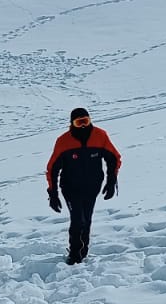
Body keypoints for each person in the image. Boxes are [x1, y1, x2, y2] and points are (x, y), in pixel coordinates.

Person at [46, 107, 122, 264]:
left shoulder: (100, 136)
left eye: (85, 121)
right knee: (77, 219)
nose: (82, 126)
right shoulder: (63, 141)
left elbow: (114, 158)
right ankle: (74, 255)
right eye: (78, 122)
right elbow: (52, 168)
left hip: (92, 186)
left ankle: (83, 252)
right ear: (72, 124)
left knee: (86, 219)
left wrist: (111, 181)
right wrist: (53, 193)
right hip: (70, 187)